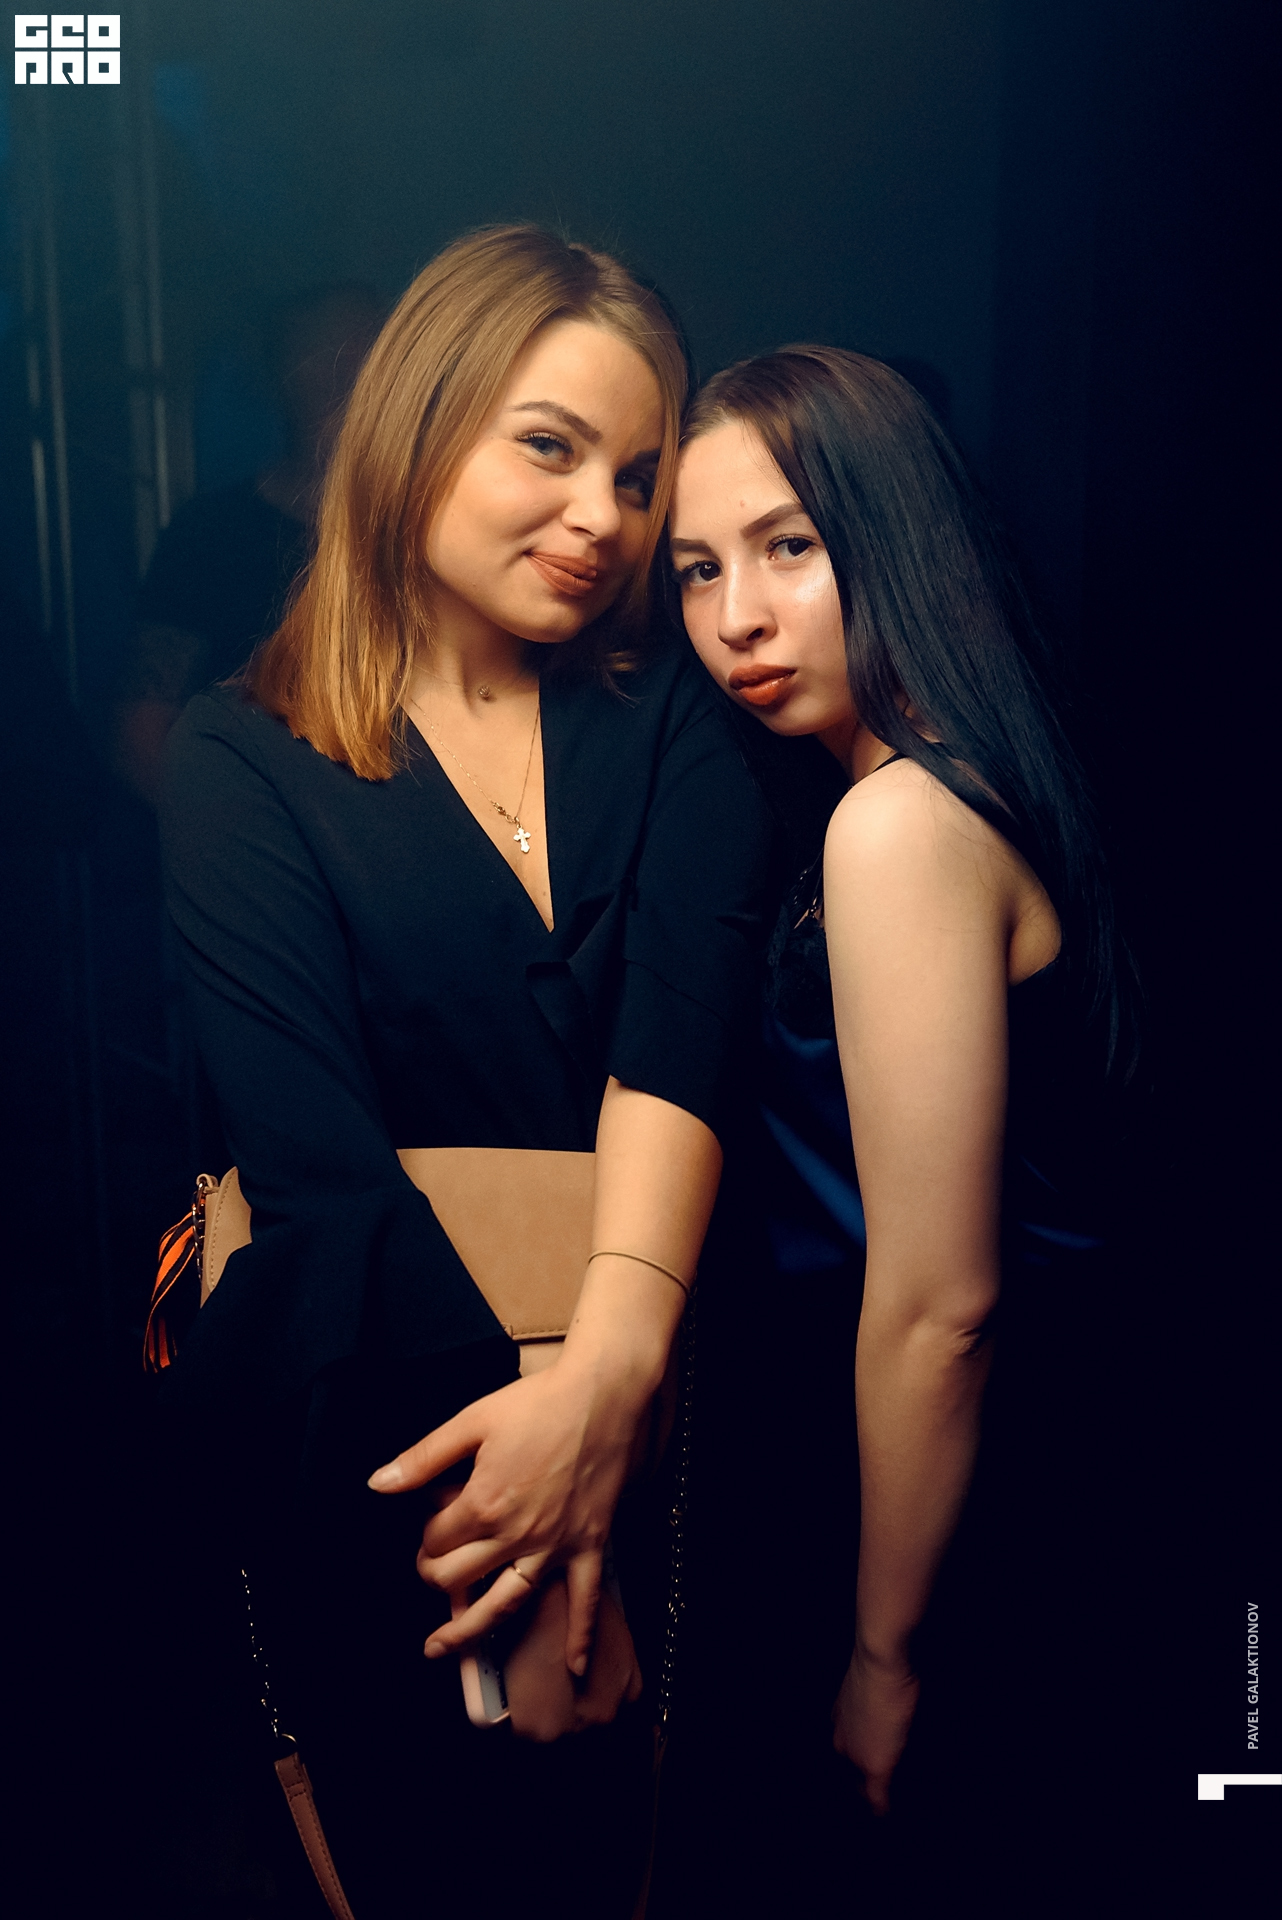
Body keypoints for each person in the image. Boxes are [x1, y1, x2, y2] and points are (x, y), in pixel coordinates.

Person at [157, 227, 771, 1919]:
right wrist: (534, 1568)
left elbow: (678, 1046)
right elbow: (325, 1182)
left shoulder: (676, 720)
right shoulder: (240, 756)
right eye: (549, 448)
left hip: (673, 1424)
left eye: (635, 476)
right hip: (390, 1445)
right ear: (416, 426)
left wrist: (604, 1416)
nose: (602, 519)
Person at [667, 346, 1121, 1869]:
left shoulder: (898, 824)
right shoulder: (963, 777)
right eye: (696, 569)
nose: (735, 617)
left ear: (892, 533)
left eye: (787, 546)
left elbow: (940, 1308)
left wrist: (881, 1651)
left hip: (961, 1515)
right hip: (971, 1476)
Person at [114, 283, 383, 803]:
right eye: (331, 354)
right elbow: (141, 740)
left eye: (369, 354)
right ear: (288, 372)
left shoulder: (434, 535)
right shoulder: (209, 535)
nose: (351, 379)